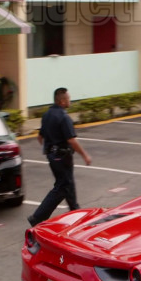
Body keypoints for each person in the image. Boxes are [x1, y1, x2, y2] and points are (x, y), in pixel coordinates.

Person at [27, 88, 92, 227]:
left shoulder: (47, 115)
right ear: (62, 101)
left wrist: (49, 151)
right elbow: (72, 140)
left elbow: (40, 137)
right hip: (62, 157)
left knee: (68, 184)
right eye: (68, 98)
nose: (70, 100)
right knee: (62, 187)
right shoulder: (63, 117)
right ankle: (37, 217)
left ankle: (75, 212)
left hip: (53, 156)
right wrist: (85, 155)